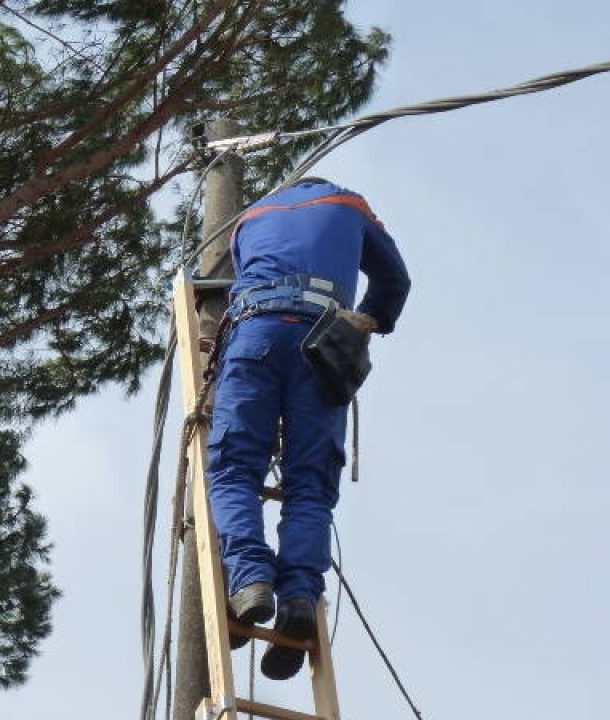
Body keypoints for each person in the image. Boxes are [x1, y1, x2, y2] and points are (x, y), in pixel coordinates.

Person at [206, 177, 410, 680]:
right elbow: (395, 281)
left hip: (255, 332)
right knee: (309, 487)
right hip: (321, 342)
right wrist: (369, 320)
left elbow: (227, 281)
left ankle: (250, 579)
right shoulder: (349, 203)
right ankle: (298, 597)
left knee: (234, 469)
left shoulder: (249, 217)